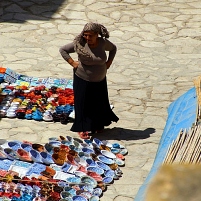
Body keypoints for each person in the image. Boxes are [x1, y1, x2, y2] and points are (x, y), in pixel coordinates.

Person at [59, 22, 119, 139]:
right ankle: (82, 128)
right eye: (85, 35)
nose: (87, 38)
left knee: (98, 103)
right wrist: (72, 63)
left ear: (97, 34)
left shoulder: (103, 43)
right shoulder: (80, 43)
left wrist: (109, 62)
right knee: (83, 104)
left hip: (100, 79)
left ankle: (97, 125)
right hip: (83, 79)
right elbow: (63, 50)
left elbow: (113, 49)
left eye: (90, 35)